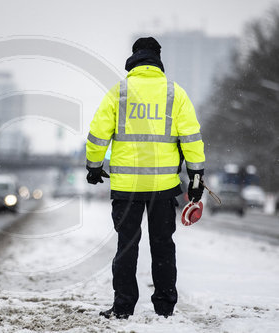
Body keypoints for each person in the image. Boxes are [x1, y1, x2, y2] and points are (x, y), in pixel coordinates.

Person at [85, 37, 205, 319]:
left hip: (126, 188)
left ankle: (123, 306)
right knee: (163, 247)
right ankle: (164, 308)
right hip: (163, 189)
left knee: (126, 246)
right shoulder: (175, 94)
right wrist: (196, 176)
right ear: (157, 58)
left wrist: (93, 166)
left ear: (134, 57)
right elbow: (191, 138)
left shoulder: (119, 92)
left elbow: (98, 132)